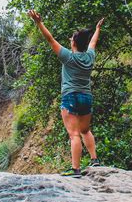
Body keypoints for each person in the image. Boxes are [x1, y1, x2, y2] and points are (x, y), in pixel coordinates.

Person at [28, 10, 104, 178]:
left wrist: (38, 22)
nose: (70, 39)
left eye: (71, 38)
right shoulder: (90, 56)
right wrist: (97, 29)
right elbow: (93, 43)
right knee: (85, 130)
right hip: (86, 97)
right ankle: (95, 160)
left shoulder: (68, 57)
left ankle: (76, 170)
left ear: (75, 43)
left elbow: (50, 39)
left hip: (70, 97)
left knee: (74, 134)